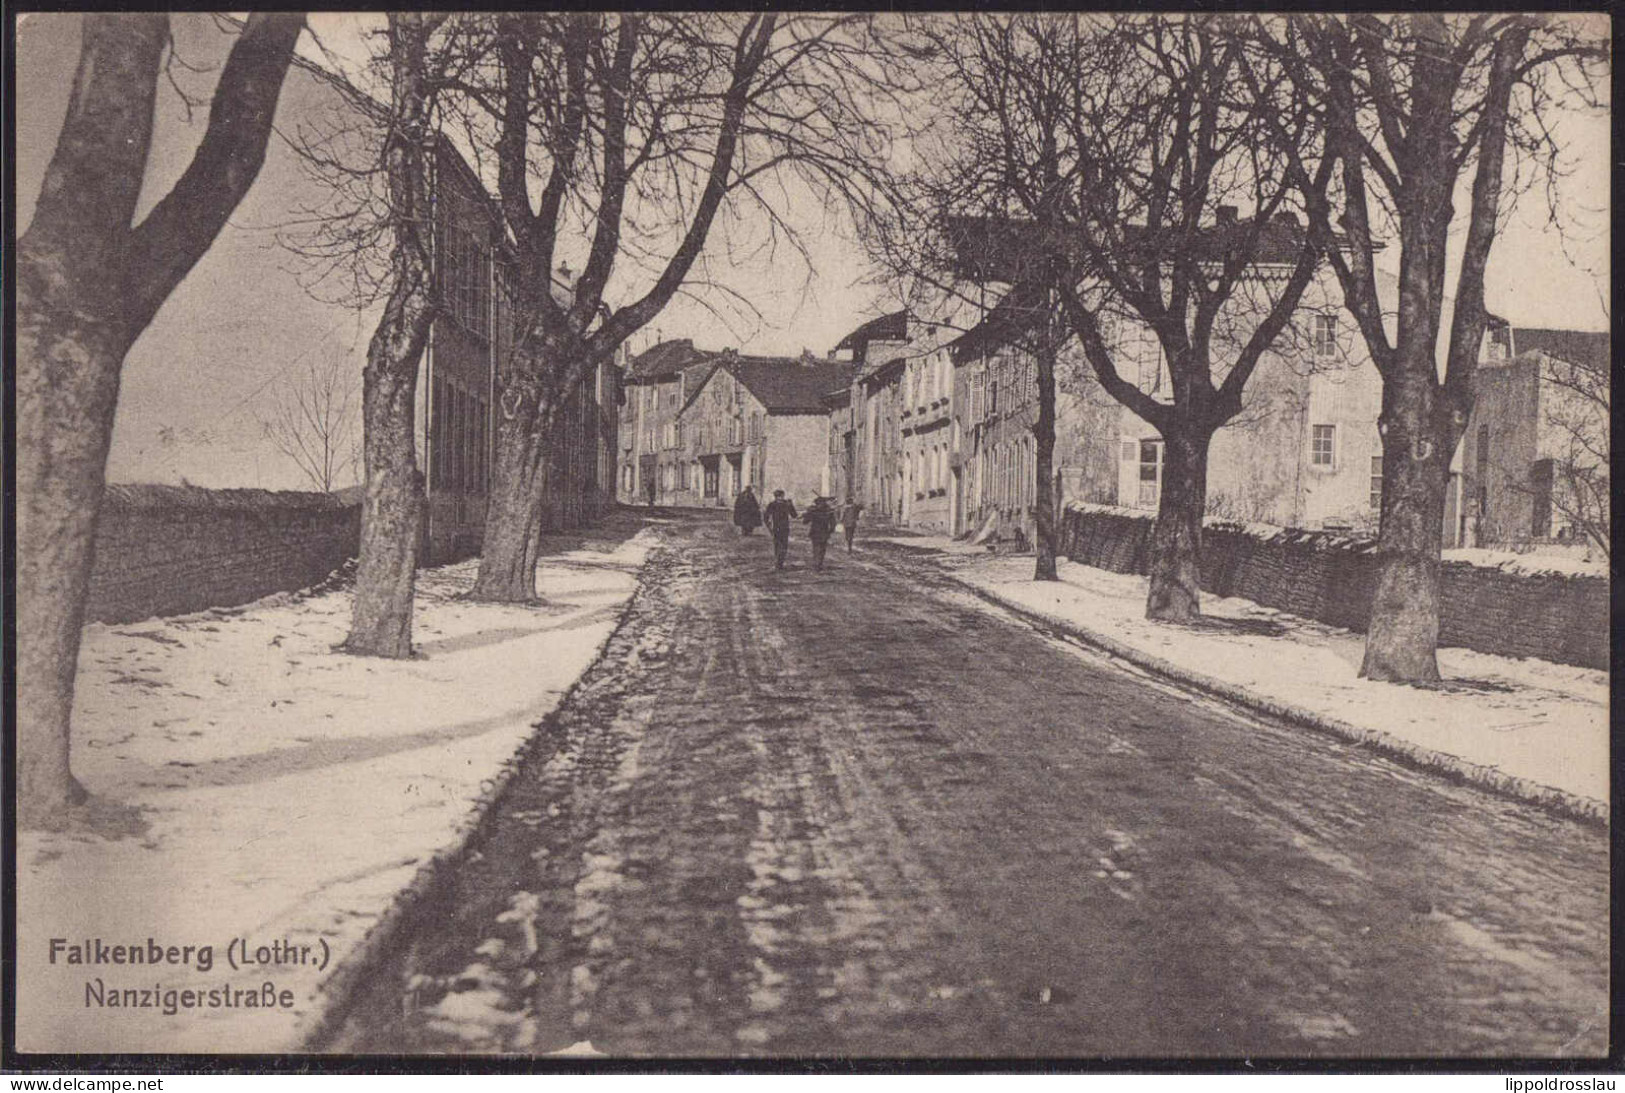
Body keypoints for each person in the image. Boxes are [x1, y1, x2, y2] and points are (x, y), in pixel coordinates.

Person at [763, 489, 797, 569]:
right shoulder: (774, 504)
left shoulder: (782, 504)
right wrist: (769, 526)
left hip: (781, 527)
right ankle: (779, 562)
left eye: (781, 496)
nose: (781, 498)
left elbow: (794, 515)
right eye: (779, 496)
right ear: (776, 497)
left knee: (781, 545)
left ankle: (779, 562)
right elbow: (766, 517)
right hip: (779, 527)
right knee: (780, 545)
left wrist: (791, 505)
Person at [805, 496, 837, 571]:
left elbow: (805, 521)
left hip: (815, 532)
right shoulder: (828, 511)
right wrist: (831, 531)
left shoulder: (813, 511)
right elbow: (833, 523)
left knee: (816, 548)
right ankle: (819, 564)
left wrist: (808, 513)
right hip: (824, 532)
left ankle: (816, 564)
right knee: (822, 549)